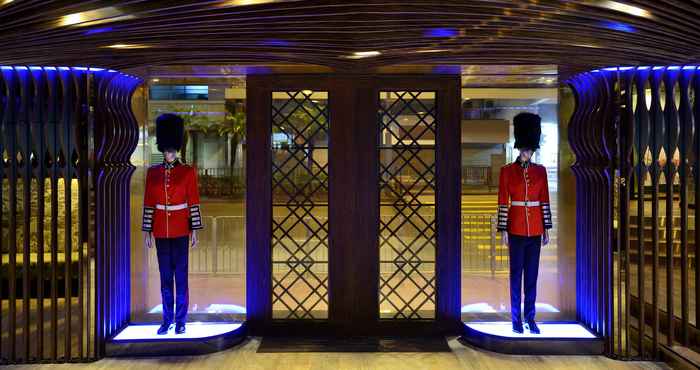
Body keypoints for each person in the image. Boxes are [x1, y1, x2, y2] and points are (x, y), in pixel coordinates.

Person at [142, 113, 203, 335]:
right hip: (160, 231)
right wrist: (148, 230)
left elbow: (193, 201)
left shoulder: (187, 172)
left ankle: (181, 320)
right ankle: (167, 320)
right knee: (165, 278)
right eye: (166, 150)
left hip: (180, 230)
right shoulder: (153, 173)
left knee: (181, 277)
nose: (169, 154)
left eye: (171, 150)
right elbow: (149, 202)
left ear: (176, 149)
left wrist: (194, 229)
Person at [496, 112, 552, 335]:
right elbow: (502, 202)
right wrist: (503, 230)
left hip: (535, 230)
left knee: (531, 277)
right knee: (515, 276)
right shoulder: (507, 172)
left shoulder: (541, 172)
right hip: (516, 228)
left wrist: (546, 228)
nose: (527, 153)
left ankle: (531, 318)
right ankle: (515, 319)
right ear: (519, 148)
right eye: (524, 149)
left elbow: (544, 200)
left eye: (529, 150)